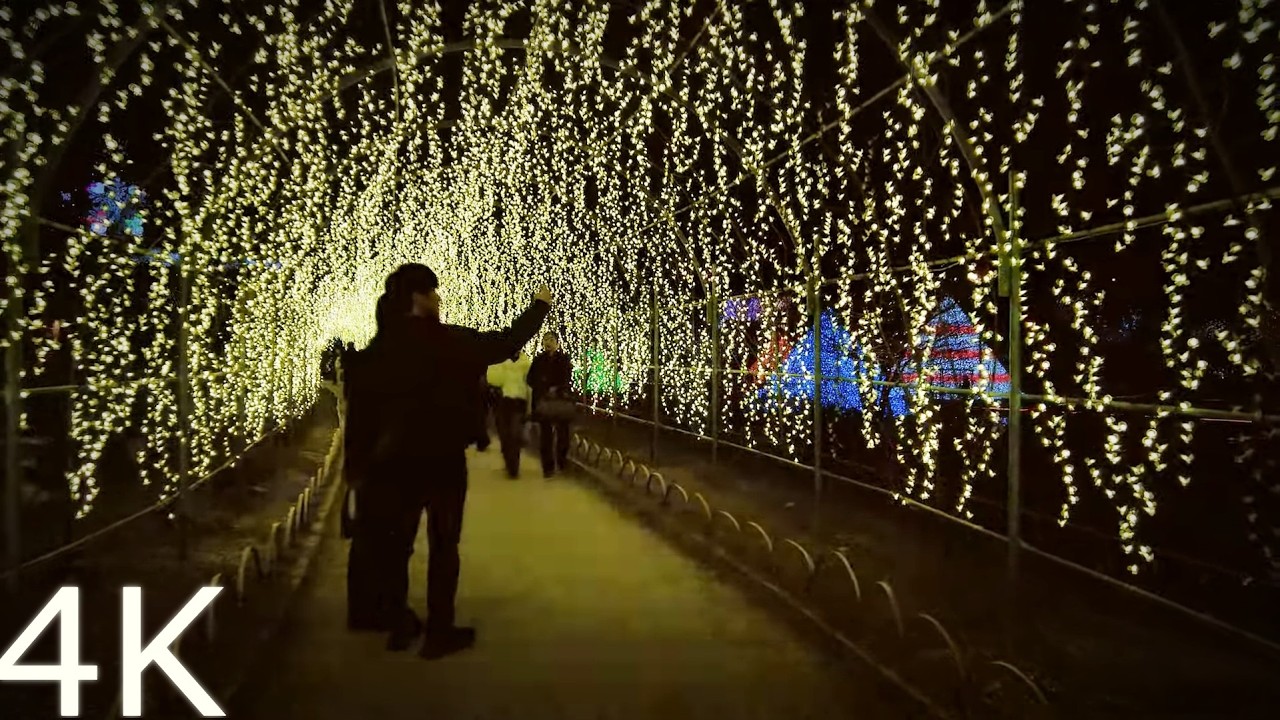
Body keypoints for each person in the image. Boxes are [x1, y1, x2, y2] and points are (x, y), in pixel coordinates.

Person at [352, 263, 551, 658]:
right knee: (444, 544)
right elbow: (504, 343)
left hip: (394, 463)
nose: (439, 299)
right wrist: (539, 307)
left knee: (398, 545)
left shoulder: (380, 349)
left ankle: (400, 621)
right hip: (442, 459)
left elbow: (361, 412)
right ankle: (439, 631)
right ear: (419, 297)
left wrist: (358, 470)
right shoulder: (446, 341)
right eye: (435, 293)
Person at [527, 331, 573, 478]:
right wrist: (543, 387)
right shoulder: (538, 360)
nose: (548, 342)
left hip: (560, 401)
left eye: (551, 339)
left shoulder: (564, 359)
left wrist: (558, 389)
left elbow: (567, 378)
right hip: (544, 401)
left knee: (563, 434)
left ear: (557, 343)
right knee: (545, 436)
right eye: (545, 340)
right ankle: (548, 467)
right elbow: (530, 379)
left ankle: (562, 460)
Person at [486, 349, 533, 478]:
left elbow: (530, 386)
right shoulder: (500, 362)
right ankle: (508, 461)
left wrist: (530, 406)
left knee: (514, 434)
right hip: (502, 402)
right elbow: (492, 378)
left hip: (518, 401)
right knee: (504, 434)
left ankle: (514, 467)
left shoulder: (526, 364)